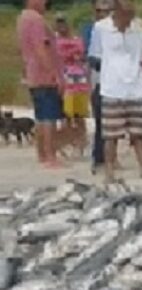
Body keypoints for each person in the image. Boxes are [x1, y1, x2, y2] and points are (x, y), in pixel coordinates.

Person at [89, 0, 142, 183]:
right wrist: (108, 73)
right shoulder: (100, 28)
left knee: (138, 134)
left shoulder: (138, 27)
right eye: (127, 14)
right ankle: (109, 172)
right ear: (117, 12)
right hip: (112, 88)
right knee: (110, 135)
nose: (130, 19)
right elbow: (95, 57)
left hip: (135, 88)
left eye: (132, 14)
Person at [16, 0, 64, 168]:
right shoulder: (35, 20)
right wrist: (53, 73)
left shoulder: (23, 18)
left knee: (40, 116)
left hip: (32, 73)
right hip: (43, 75)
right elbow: (40, 48)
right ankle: (50, 156)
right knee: (48, 116)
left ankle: (42, 154)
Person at [55, 14, 90, 156]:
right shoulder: (55, 40)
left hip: (79, 80)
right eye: (59, 23)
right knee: (67, 114)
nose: (62, 26)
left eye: (64, 22)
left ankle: (81, 142)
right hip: (66, 80)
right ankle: (68, 141)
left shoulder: (77, 39)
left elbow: (81, 56)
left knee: (80, 115)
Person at [84, 0, 112, 173]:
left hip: (114, 81)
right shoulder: (92, 29)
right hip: (98, 81)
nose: (103, 13)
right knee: (101, 122)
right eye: (100, 10)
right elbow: (90, 58)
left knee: (112, 124)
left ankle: (109, 158)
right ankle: (98, 158)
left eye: (106, 10)